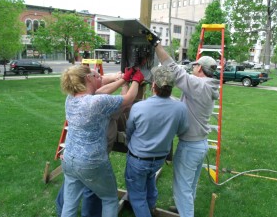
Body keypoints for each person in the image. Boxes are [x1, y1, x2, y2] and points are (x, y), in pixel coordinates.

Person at [146, 31, 220, 217]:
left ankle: (185, 212)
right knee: (190, 184)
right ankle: (183, 209)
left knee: (182, 188)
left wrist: (157, 46)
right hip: (199, 144)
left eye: (195, 66)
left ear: (200, 69)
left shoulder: (199, 85)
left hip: (190, 146)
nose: (192, 68)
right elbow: (185, 102)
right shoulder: (206, 86)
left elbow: (173, 69)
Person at [60, 65, 144, 217]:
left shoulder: (71, 98)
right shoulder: (96, 103)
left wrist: (123, 79)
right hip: (91, 162)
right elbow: (129, 99)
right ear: (88, 79)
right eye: (96, 75)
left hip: (69, 159)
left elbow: (98, 90)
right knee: (110, 199)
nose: (100, 76)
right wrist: (136, 80)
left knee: (70, 204)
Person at [125, 66, 189, 217]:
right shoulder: (180, 108)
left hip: (138, 159)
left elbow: (129, 130)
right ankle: (151, 208)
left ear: (153, 85)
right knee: (150, 182)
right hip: (159, 159)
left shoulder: (139, 107)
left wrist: (129, 144)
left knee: (137, 195)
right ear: (171, 87)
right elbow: (182, 130)